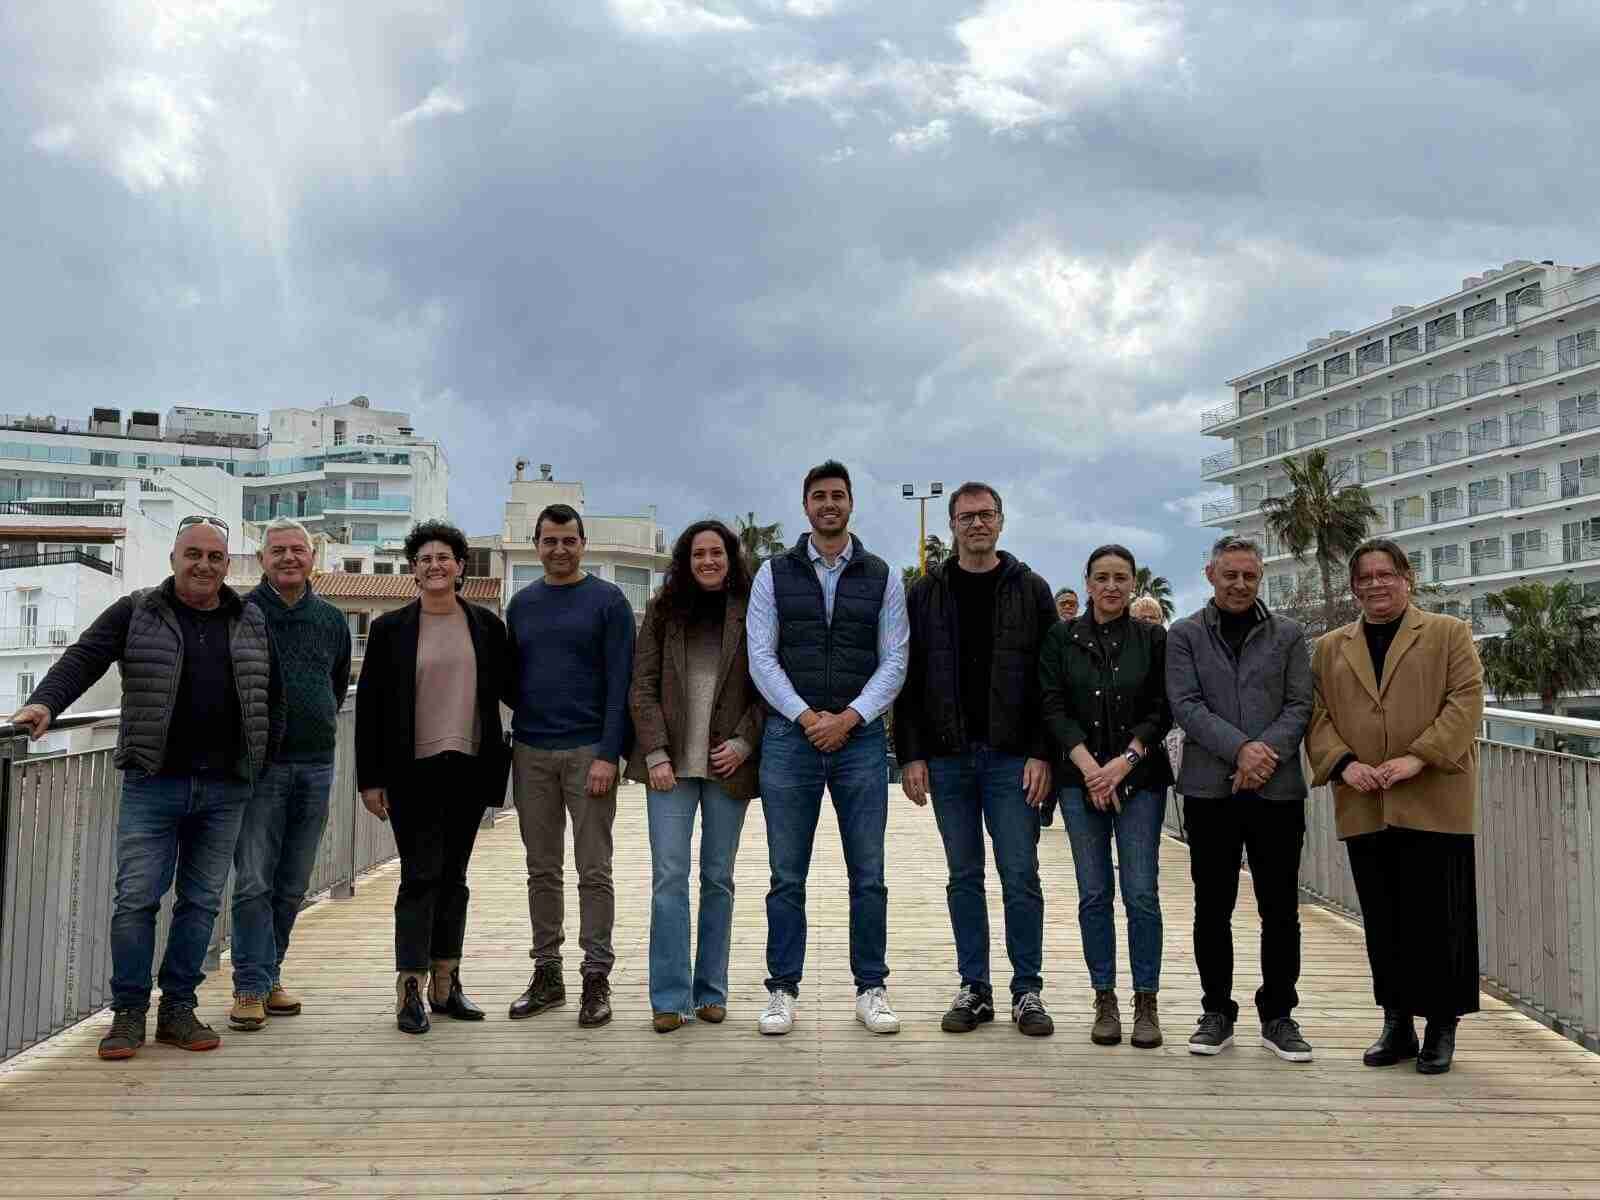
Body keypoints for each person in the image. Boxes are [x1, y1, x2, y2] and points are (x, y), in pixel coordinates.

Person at [11, 516, 279, 1060]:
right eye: (193, 554)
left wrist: (261, 755)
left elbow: (270, 693)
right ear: (175, 559)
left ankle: (178, 1008)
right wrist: (44, 702)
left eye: (215, 557)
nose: (204, 565)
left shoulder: (249, 617)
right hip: (153, 781)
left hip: (226, 787)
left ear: (227, 565)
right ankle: (129, 1012)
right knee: (135, 900)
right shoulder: (138, 611)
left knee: (201, 903)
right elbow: (83, 658)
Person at [1307, 537, 1484, 1075]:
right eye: (1365, 577)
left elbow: (1466, 701)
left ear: (1407, 578)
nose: (1376, 584)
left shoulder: (1448, 634)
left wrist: (1418, 757)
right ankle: (1396, 1021)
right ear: (1353, 586)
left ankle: (1441, 1025)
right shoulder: (1331, 647)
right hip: (1365, 799)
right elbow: (1317, 716)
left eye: (1386, 574)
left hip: (1434, 795)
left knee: (1440, 917)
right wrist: (1343, 764)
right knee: (1383, 918)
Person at [747, 460, 908, 1036]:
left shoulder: (883, 575)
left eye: (838, 495)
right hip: (791, 740)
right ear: (805, 505)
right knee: (786, 876)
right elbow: (761, 657)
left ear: (851, 504)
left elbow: (895, 659)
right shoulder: (772, 574)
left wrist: (851, 717)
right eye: (819, 496)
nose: (829, 504)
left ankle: (871, 988)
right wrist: (807, 716)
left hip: (861, 741)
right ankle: (783, 990)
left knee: (868, 874)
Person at [895, 482, 1057, 1036]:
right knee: (963, 876)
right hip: (948, 759)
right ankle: (976, 987)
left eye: (986, 515)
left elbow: (1049, 681)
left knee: (1020, 875)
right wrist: (911, 755)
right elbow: (909, 680)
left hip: (1014, 759)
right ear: (952, 525)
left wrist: (1042, 752)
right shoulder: (925, 594)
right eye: (966, 517)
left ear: (1002, 521)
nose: (977, 525)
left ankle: (1027, 990)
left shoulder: (1031, 590)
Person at [356, 520, 509, 1035]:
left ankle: (447, 984)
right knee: (420, 878)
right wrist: (370, 779)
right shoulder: (390, 628)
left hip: (467, 766)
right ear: (414, 569)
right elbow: (371, 708)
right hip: (411, 771)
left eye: (444, 557)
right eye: (425, 558)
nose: (435, 565)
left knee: (455, 879)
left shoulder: (487, 627)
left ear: (461, 566)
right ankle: (410, 989)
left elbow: (513, 689)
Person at [1166, 535, 1314, 1062]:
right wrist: (1241, 751)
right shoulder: (1183, 636)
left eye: (1249, 575)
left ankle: (1279, 1015)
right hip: (1211, 790)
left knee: (1280, 909)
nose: (1239, 584)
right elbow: (1185, 704)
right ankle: (1216, 1012)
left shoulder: (1290, 635)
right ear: (1210, 574)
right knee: (1213, 907)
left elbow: (1300, 704)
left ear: (1261, 575)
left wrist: (1264, 754)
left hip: (1277, 792)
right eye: (1229, 574)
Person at [626, 520, 764, 1033]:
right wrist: (656, 752)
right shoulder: (664, 612)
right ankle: (669, 998)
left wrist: (745, 742)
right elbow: (641, 684)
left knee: (718, 880)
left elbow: (768, 685)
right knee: (668, 880)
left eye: (717, 552)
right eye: (698, 553)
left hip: (728, 765)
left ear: (730, 558)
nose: (708, 561)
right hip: (670, 769)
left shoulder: (752, 610)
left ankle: (711, 992)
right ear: (686, 560)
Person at [506, 503, 636, 1028]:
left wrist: (610, 753)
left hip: (589, 753)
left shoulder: (609, 602)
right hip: (531, 750)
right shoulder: (522, 605)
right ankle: (548, 973)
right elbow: (511, 678)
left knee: (594, 870)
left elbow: (621, 684)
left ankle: (596, 976)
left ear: (583, 543)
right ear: (537, 546)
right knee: (541, 869)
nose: (559, 550)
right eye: (549, 541)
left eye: (569, 540)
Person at [1039, 544, 1172, 1049]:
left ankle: (1146, 1000)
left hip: (1139, 780)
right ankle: (1105, 998)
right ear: (1088, 582)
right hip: (1080, 780)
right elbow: (1052, 706)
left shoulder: (1153, 639)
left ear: (1133, 583)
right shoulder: (1060, 638)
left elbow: (1162, 708)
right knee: (1094, 894)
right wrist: (1091, 768)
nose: (1111, 586)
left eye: (1121, 577)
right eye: (1102, 577)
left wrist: (1123, 763)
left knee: (1140, 892)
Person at [228, 518, 352, 1032]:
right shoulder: (241, 614)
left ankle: (268, 974)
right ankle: (250, 986)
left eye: (297, 550)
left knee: (293, 882)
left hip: (316, 764)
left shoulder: (331, 619)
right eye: (277, 550)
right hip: (260, 769)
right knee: (255, 879)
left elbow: (338, 683)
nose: (288, 558)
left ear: (312, 558)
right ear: (262, 559)